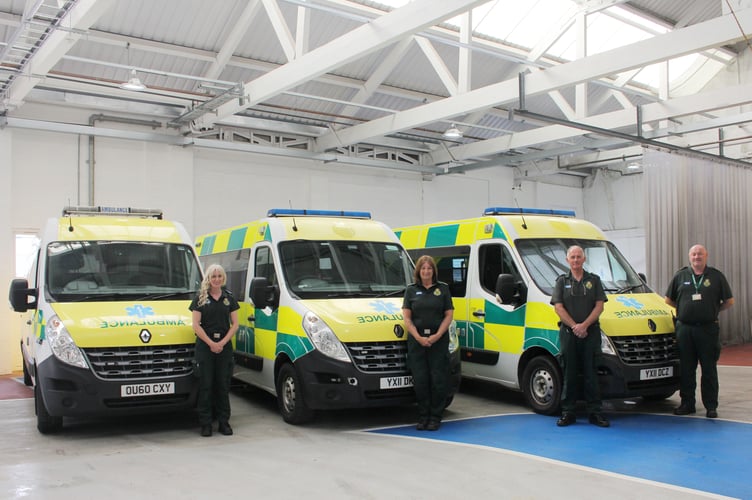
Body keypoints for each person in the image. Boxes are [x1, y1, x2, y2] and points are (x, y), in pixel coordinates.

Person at [665, 244, 734, 419]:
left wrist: (712, 310)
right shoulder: (680, 276)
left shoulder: (716, 276)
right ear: (689, 257)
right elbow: (668, 300)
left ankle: (711, 406)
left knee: (709, 369)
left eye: (700, 254)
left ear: (706, 256)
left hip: (707, 329)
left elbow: (729, 301)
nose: (697, 257)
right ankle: (687, 404)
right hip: (685, 329)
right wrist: (685, 310)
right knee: (687, 369)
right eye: (694, 254)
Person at [551, 245, 609, 428]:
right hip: (569, 334)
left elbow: (599, 306)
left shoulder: (594, 280)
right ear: (567, 260)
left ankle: (595, 413)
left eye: (579, 257)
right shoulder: (561, 281)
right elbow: (558, 307)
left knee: (591, 373)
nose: (576, 260)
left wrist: (584, 325)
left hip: (590, 333)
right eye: (572, 257)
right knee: (569, 373)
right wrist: (575, 326)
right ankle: (568, 412)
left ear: (584, 259)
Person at [402, 255, 454, 431]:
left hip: (438, 342)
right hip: (417, 343)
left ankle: (435, 417)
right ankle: (423, 416)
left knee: (438, 380)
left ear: (433, 271)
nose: (426, 271)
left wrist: (437, 335)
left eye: (429, 268)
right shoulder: (410, 291)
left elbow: (448, 315)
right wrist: (419, 337)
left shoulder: (443, 289)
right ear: (418, 271)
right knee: (421, 380)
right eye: (423, 268)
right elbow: (407, 318)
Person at [189, 264, 240, 437]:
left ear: (223, 278)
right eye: (213, 276)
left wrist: (222, 342)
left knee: (223, 385)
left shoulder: (229, 298)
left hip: (224, 347)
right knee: (206, 385)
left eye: (219, 276)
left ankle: (224, 422)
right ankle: (206, 424)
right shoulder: (200, 298)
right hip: (205, 347)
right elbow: (196, 325)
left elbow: (235, 324)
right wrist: (211, 343)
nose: (217, 279)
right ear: (208, 279)